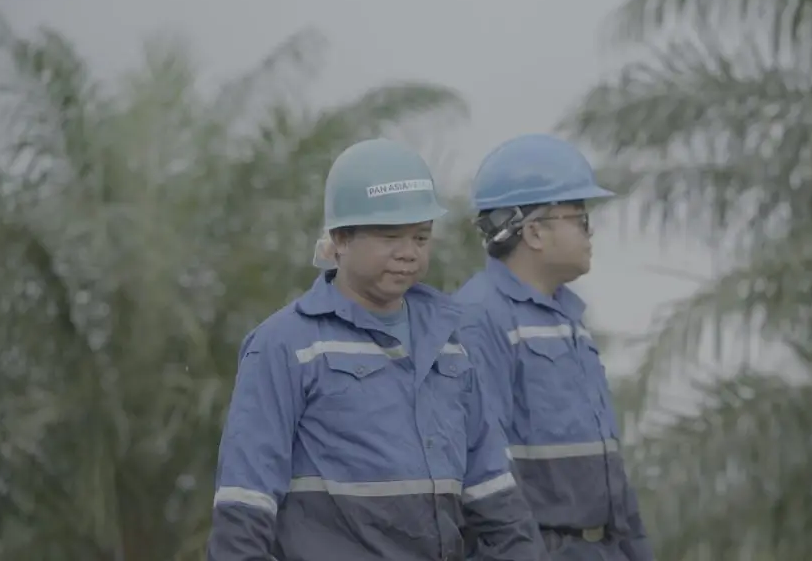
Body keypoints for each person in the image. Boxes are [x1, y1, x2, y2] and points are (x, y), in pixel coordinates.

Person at [207, 138, 548, 561]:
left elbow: (495, 496)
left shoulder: (449, 345)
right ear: (341, 238)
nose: (408, 253)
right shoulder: (285, 346)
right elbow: (245, 505)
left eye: (421, 237)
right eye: (390, 236)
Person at [454, 134, 654, 560]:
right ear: (534, 232)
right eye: (579, 218)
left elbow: (608, 463)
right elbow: (485, 469)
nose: (589, 232)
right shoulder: (479, 319)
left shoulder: (569, 319)